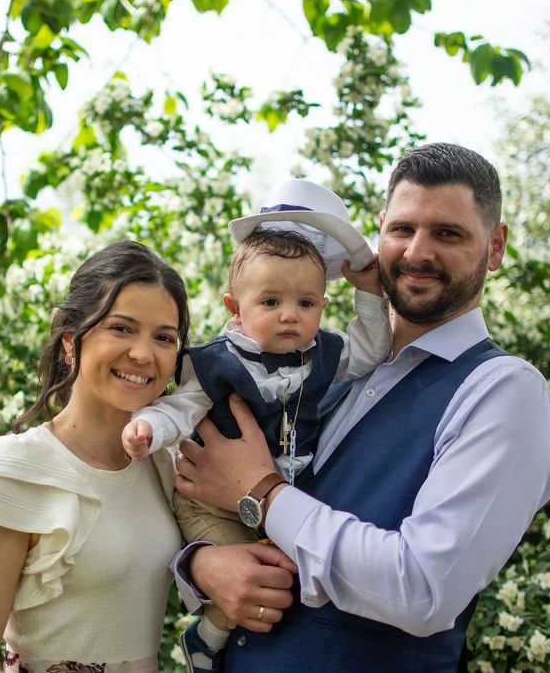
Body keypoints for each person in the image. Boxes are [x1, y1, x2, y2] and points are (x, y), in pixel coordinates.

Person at [173, 143, 550, 672]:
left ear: (495, 247)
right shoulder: (324, 359)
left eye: (447, 233)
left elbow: (422, 588)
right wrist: (204, 565)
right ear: (380, 231)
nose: (417, 252)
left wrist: (262, 493)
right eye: (402, 230)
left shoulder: (502, 391)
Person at [120, 180, 391, 673]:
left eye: (306, 304)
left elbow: (371, 350)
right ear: (235, 310)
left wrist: (369, 295)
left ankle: (216, 638)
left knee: (283, 577)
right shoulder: (217, 362)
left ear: (322, 307)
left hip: (276, 498)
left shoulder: (321, 355)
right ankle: (209, 636)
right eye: (271, 303)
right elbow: (181, 409)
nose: (290, 315)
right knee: (254, 573)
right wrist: (148, 427)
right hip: (206, 499)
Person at [0, 241, 190, 673]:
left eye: (163, 337)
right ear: (71, 342)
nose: (144, 354)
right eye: (122, 329)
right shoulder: (11, 474)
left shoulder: (165, 465)